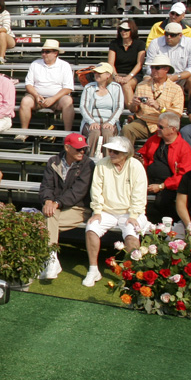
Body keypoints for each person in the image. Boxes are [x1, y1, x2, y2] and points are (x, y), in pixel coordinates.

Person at [82, 137, 148, 287]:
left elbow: (139, 193)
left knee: (131, 236)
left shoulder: (136, 166)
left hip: (131, 213)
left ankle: (130, 275)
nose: (111, 153)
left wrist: (133, 215)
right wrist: (97, 211)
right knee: (91, 229)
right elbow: (96, 189)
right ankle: (93, 270)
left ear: (126, 154)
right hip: (106, 211)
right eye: (110, 150)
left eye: (115, 152)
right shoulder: (102, 164)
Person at [38, 133, 95, 280]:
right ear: (67, 147)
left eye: (84, 149)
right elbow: (46, 186)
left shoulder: (88, 165)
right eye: (78, 149)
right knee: (49, 216)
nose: (82, 152)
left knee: (43, 222)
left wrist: (56, 203)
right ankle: (51, 259)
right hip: (57, 207)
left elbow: (78, 192)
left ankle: (49, 260)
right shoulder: (53, 161)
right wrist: (48, 200)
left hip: (80, 208)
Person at [138, 112, 191, 222]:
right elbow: (142, 154)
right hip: (148, 179)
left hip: (170, 185)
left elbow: (183, 175)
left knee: (162, 202)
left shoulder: (184, 148)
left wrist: (162, 186)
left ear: (173, 129)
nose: (157, 129)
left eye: (161, 127)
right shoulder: (153, 140)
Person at [121, 53, 185, 146]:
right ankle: (126, 157)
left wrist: (159, 108)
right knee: (127, 129)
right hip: (144, 122)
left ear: (166, 69)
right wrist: (134, 104)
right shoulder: (142, 85)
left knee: (168, 132)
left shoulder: (176, 89)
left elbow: (177, 115)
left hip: (165, 125)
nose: (154, 70)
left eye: (157, 67)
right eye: (152, 67)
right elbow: (133, 110)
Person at [17, 39, 75, 139]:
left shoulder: (64, 65)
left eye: (47, 52)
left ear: (55, 53)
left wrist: (53, 98)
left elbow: (68, 88)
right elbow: (28, 84)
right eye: (42, 51)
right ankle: (24, 131)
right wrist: (36, 95)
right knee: (25, 101)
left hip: (57, 98)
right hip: (37, 97)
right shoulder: (35, 64)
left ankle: (67, 134)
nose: (44, 54)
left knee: (68, 101)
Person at [146, 21, 191, 98]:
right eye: (167, 34)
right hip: (159, 76)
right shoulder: (155, 43)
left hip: (183, 78)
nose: (168, 37)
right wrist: (162, 76)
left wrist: (176, 77)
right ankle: (147, 107)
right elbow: (149, 66)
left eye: (172, 35)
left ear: (180, 35)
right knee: (146, 79)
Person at [79, 62, 123, 155]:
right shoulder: (88, 87)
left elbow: (119, 107)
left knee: (108, 131)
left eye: (99, 73)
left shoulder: (116, 87)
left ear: (108, 75)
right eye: (95, 72)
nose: (96, 74)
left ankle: (108, 160)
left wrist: (110, 122)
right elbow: (83, 107)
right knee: (94, 131)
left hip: (110, 121)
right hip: (91, 121)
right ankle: (87, 160)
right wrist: (92, 121)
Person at [108, 19, 146, 106]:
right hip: (117, 73)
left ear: (132, 30)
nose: (123, 32)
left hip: (134, 74)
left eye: (126, 30)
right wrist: (116, 75)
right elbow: (111, 63)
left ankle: (131, 110)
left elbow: (139, 64)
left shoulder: (140, 44)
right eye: (121, 30)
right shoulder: (114, 43)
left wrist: (129, 77)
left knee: (126, 85)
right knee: (107, 83)